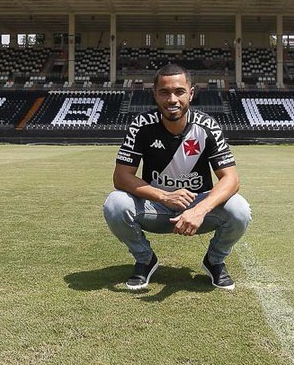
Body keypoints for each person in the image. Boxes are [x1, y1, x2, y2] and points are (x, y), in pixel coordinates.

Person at [103, 63, 251, 291]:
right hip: (156, 206)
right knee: (115, 203)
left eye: (179, 91)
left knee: (239, 209)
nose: (172, 99)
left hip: (197, 208)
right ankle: (145, 259)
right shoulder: (141, 125)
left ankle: (214, 261)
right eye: (164, 92)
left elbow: (232, 179)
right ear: (154, 94)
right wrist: (164, 196)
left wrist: (199, 210)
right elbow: (121, 177)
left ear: (191, 93)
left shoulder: (207, 126)